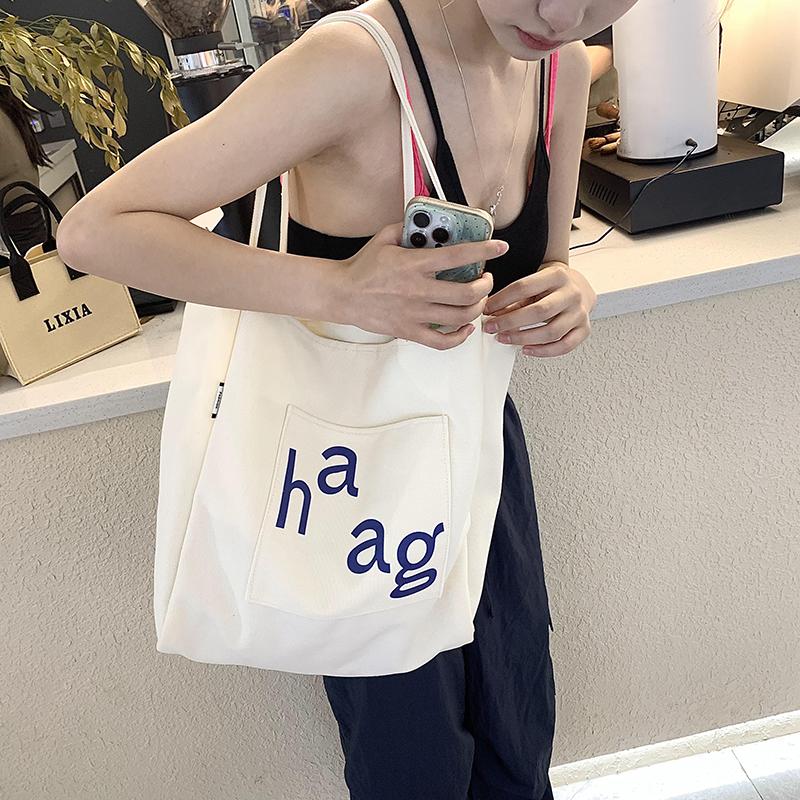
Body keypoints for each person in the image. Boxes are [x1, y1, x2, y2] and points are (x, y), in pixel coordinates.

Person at [56, 0, 639, 797]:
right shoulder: (356, 63)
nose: (564, 12)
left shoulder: (559, 70)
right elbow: (95, 231)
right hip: (351, 475)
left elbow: (551, 259)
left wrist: (568, 291)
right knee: (413, 763)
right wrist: (339, 289)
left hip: (476, 454)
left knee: (518, 732)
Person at [0, 76, 51, 261]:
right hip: (24, 209)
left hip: (13, 217)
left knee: (33, 269)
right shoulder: (6, 102)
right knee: (41, 265)